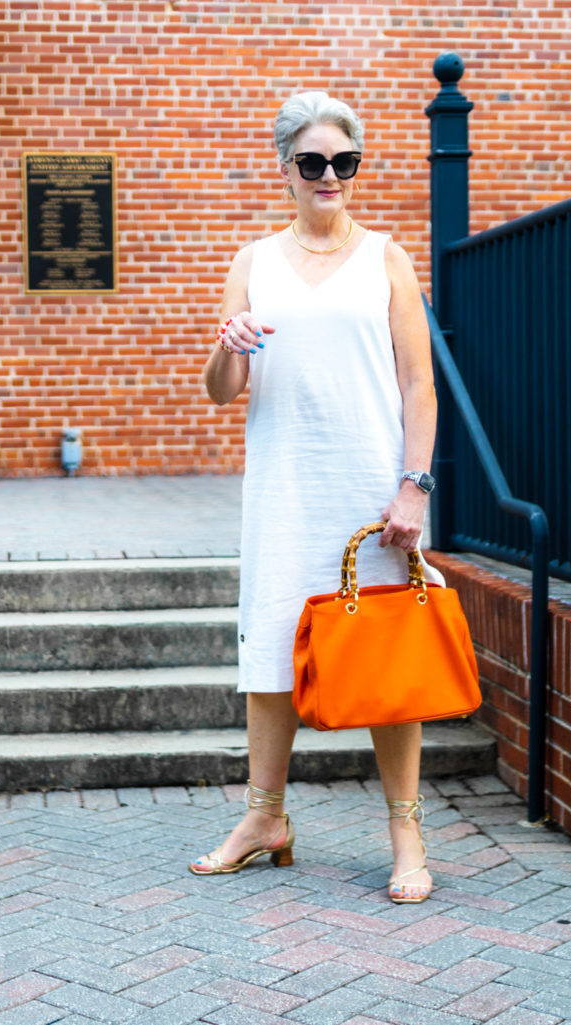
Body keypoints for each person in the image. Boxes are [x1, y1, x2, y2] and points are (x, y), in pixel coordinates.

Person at [189, 91, 443, 905]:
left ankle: (406, 833)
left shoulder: (387, 260)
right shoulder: (253, 261)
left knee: (385, 661)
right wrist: (225, 348)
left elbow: (418, 384)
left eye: (344, 161)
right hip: (283, 485)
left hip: (368, 488)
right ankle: (264, 819)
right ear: (286, 169)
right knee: (268, 646)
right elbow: (222, 390)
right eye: (312, 162)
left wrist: (413, 486)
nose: (329, 175)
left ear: (355, 166)